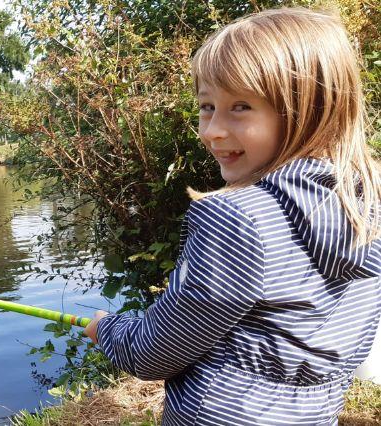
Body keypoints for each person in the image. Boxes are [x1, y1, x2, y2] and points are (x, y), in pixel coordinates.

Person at [83, 7, 381, 425]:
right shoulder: (367, 207)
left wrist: (109, 330)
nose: (211, 130)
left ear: (310, 110)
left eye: (239, 106)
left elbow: (155, 353)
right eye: (207, 106)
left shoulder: (235, 218)